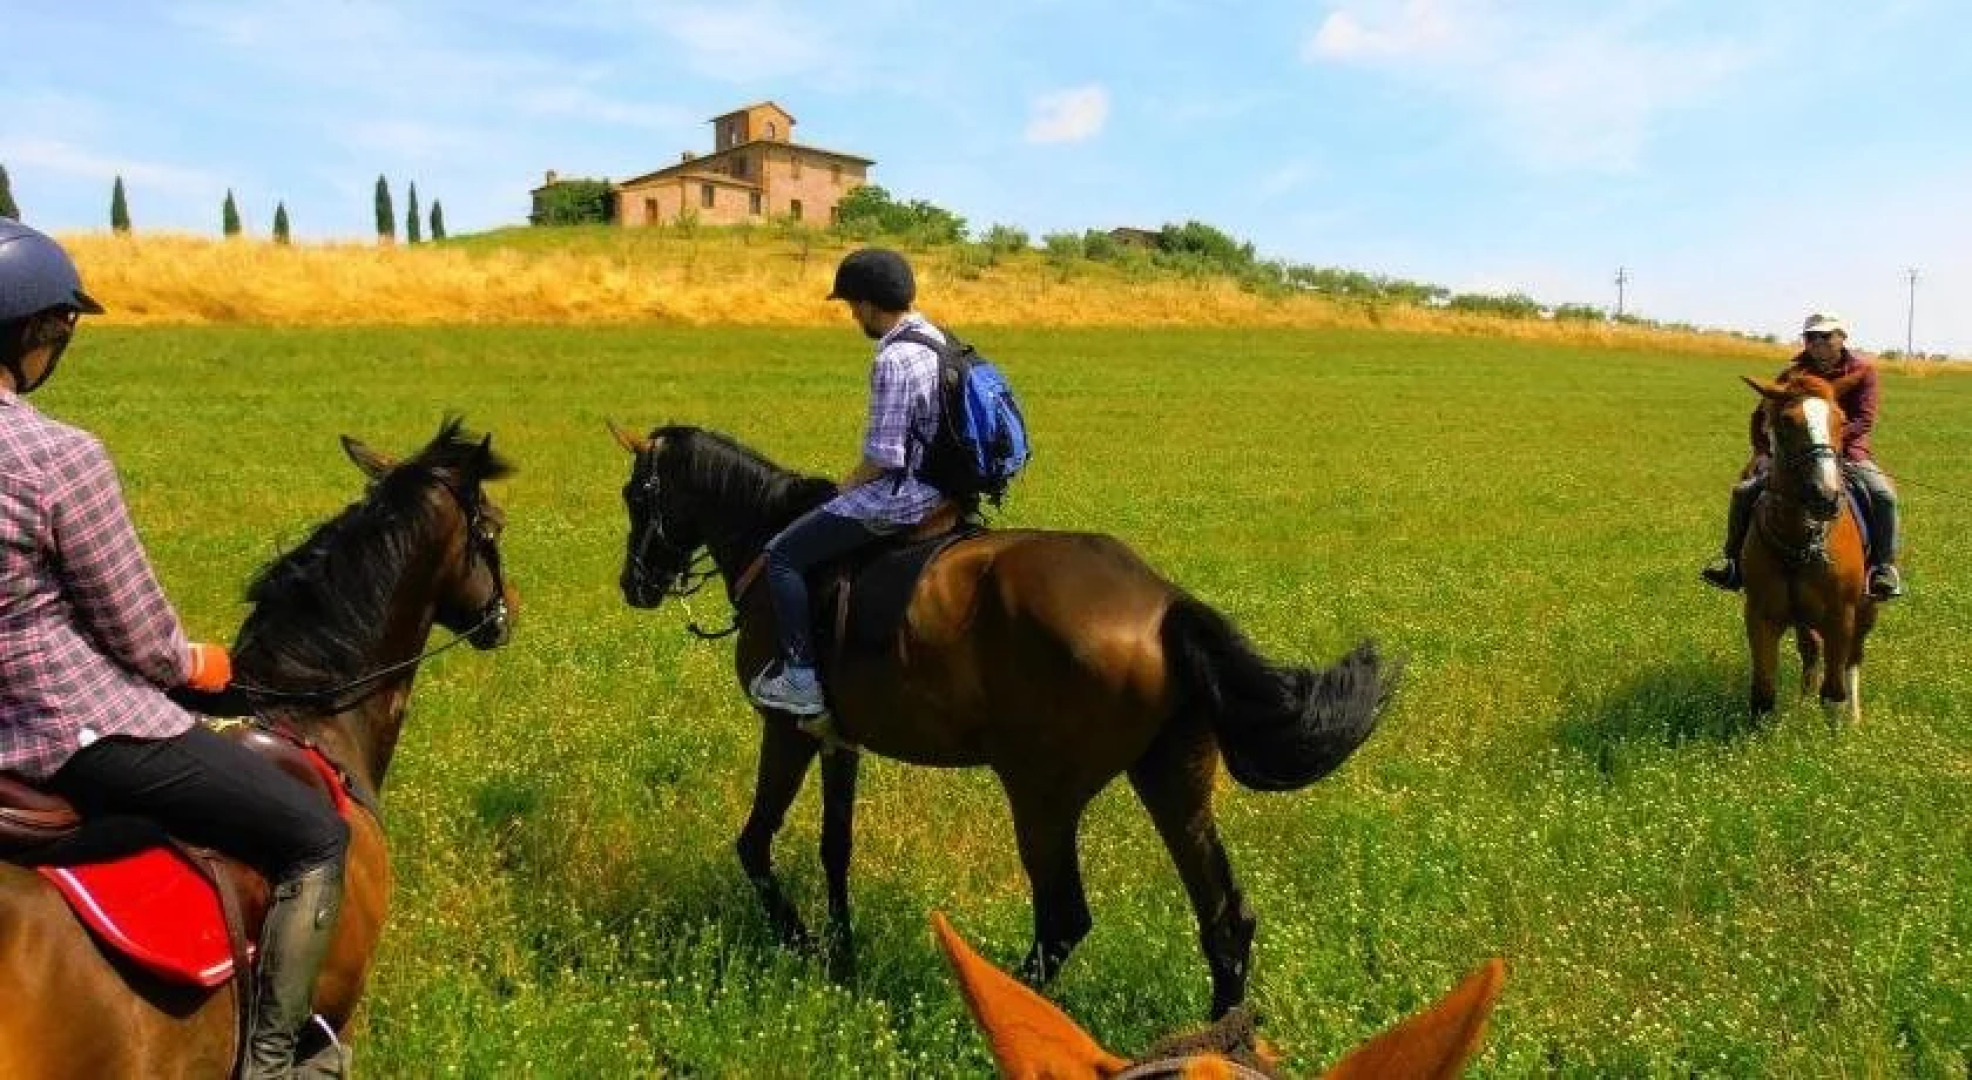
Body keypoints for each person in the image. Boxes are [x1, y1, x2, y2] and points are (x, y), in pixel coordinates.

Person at [0, 220, 348, 1077]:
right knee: (312, 836)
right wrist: (204, 666)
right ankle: (271, 1063)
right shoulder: (56, 456)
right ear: (35, 335)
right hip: (68, 735)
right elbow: (144, 642)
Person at [747, 248, 951, 716]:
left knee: (782, 556)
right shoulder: (933, 337)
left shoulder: (892, 360)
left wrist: (843, 488)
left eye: (852, 304)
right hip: (943, 487)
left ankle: (800, 680)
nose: (853, 314)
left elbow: (883, 458)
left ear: (870, 303)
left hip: (903, 498)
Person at [1701, 311, 1903, 599]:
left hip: (1848, 452)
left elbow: (1863, 419)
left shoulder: (1863, 371)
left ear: (1842, 338)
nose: (1818, 342)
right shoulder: (1792, 374)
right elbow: (1761, 416)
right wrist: (1762, 452)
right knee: (1744, 492)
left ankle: (1883, 567)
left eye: (1826, 336)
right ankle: (1732, 563)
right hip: (1795, 457)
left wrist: (1825, 446)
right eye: (1811, 337)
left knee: (1883, 494)